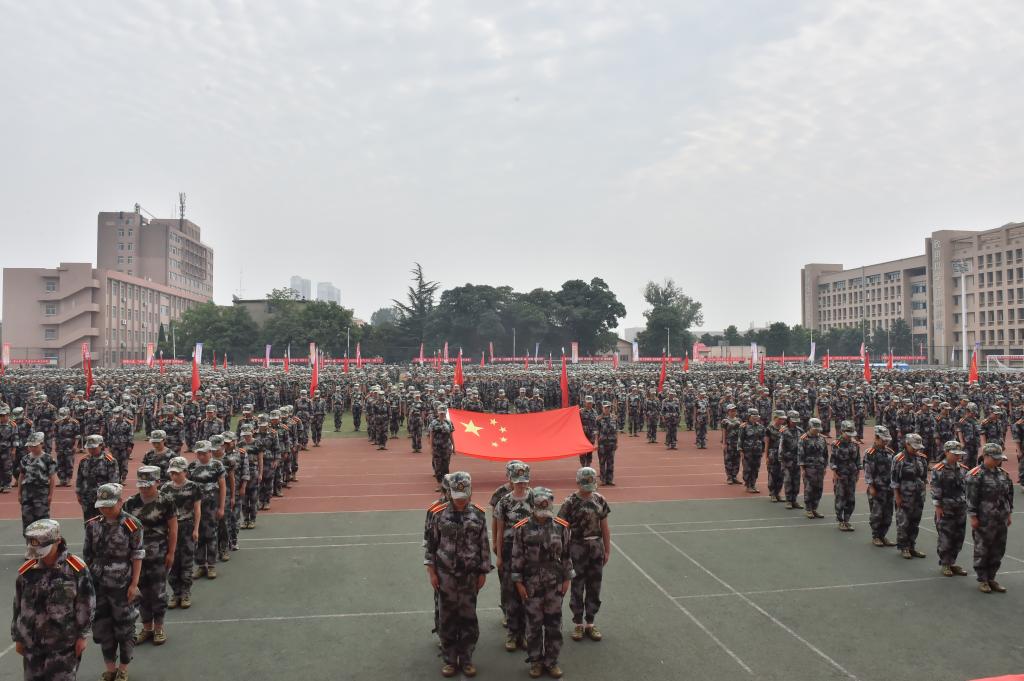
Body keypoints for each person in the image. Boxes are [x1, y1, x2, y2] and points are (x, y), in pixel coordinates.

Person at [424, 471, 490, 678]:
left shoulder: (478, 514)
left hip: (469, 576)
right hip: (446, 576)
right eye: (456, 496)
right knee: (447, 618)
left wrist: (483, 571)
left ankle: (467, 658)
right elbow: (431, 546)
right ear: (450, 492)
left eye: (464, 496)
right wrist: (432, 572)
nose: (460, 500)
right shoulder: (438, 514)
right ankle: (450, 660)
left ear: (470, 491)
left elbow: (483, 545)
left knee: (468, 617)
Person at [11, 519, 95, 681]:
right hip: (32, 644)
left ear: (57, 541)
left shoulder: (76, 569)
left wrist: (82, 636)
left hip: (63, 645)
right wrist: (18, 637)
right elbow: (18, 604)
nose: (38, 553)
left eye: (42, 548)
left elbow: (86, 603)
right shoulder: (27, 571)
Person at [84, 483, 144, 681]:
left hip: (122, 585)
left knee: (125, 628)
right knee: (102, 627)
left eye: (109, 505)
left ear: (120, 502)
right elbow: (88, 556)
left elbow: (137, 555)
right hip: (99, 585)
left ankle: (123, 668)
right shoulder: (92, 525)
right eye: (102, 506)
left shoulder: (131, 525)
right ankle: (110, 669)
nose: (105, 510)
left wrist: (134, 584)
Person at [511, 487, 573, 679]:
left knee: (554, 625)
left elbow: (566, 555)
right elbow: (517, 557)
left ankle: (551, 661)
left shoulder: (561, 526)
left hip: (554, 584)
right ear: (533, 506)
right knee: (534, 625)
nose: (543, 514)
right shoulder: (521, 528)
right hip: (531, 585)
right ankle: (536, 661)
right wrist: (519, 583)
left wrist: (567, 579)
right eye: (540, 510)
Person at [124, 466, 178, 646]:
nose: (144, 488)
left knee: (158, 593)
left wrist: (171, 552)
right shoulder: (131, 503)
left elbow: (173, 529)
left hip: (159, 554)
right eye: (141, 485)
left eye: (148, 485)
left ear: (157, 482)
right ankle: (147, 628)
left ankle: (159, 628)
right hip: (137, 556)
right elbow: (125, 530)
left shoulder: (166, 501)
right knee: (141, 592)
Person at [558, 467, 611, 644]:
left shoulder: (600, 499)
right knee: (577, 586)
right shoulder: (570, 502)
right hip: (577, 548)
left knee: (594, 586)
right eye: (585, 484)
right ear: (578, 482)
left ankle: (590, 622)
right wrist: (563, 553)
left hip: (596, 548)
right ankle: (578, 623)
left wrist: (607, 549)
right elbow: (561, 528)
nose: (588, 488)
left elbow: (604, 527)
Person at [493, 462, 533, 652]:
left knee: (526, 594)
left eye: (524, 481)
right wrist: (499, 555)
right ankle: (512, 633)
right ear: (511, 480)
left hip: (529, 552)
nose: (521, 485)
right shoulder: (504, 502)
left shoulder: (535, 498)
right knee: (510, 594)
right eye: (518, 481)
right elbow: (500, 530)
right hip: (510, 551)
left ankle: (524, 633)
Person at [967, 443, 1014, 593]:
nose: (998, 461)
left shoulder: (1003, 474)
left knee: (998, 549)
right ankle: (983, 579)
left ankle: (992, 577)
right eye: (995, 458)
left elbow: (1009, 496)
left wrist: (1009, 514)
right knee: (982, 549)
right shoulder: (975, 475)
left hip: (1001, 518)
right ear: (985, 456)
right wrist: (973, 517)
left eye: (1000, 458)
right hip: (984, 519)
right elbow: (971, 498)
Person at [161, 456, 201, 609]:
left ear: (185, 472)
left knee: (186, 562)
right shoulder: (165, 488)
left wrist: (196, 529)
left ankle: (185, 593)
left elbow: (197, 509)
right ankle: (175, 593)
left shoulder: (193, 487)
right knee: (172, 562)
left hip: (187, 527)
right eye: (172, 473)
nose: (174, 476)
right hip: (171, 530)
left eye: (177, 473)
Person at [188, 440, 226, 580]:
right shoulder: (192, 466)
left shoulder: (217, 465)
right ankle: (200, 565)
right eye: (198, 453)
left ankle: (211, 565)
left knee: (211, 535)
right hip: (196, 507)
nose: (201, 456)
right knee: (197, 536)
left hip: (211, 506)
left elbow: (222, 487)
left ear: (210, 452)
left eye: (203, 453)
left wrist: (221, 507)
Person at [930, 441, 969, 577]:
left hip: (960, 508)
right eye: (954, 454)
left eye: (959, 454)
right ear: (946, 452)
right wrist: (938, 507)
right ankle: (945, 563)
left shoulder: (963, 468)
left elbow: (966, 488)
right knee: (946, 536)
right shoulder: (939, 469)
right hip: (946, 508)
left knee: (959, 536)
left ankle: (952, 562)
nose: (958, 457)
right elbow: (935, 489)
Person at [891, 433, 929, 560]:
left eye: (918, 447)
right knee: (903, 522)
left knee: (915, 522)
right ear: (907, 444)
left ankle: (912, 546)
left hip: (918, 496)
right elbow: (894, 480)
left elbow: (924, 478)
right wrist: (897, 496)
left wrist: (923, 492)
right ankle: (904, 547)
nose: (916, 449)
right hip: (905, 496)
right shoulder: (899, 459)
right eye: (913, 447)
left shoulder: (921, 458)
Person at [863, 426, 896, 547]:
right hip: (877, 488)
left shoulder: (890, 452)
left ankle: (883, 535)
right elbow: (868, 472)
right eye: (883, 440)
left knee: (888, 514)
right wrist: (871, 486)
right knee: (877, 514)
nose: (885, 442)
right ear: (876, 438)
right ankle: (876, 536)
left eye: (887, 440)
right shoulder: (870, 453)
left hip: (889, 488)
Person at [18, 432, 57, 531]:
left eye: (35, 446)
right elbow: (21, 476)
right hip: (27, 493)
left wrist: (50, 495)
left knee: (42, 521)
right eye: (30, 446)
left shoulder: (48, 459)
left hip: (41, 493)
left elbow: (52, 478)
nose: (32, 448)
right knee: (27, 520)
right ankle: (30, 540)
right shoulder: (25, 459)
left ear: (42, 444)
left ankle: (43, 541)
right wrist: (19, 493)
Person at [75, 435, 119, 522]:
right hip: (87, 498)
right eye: (89, 448)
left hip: (103, 499)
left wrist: (112, 499)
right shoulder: (84, 460)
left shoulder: (110, 461)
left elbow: (114, 481)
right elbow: (79, 478)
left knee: (104, 523)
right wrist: (78, 493)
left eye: (94, 448)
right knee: (88, 523)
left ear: (101, 445)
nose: (91, 450)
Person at [830, 421, 862, 531]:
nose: (849, 436)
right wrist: (834, 473)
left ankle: (847, 520)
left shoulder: (855, 444)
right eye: (847, 434)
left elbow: (858, 460)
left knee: (850, 498)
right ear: (842, 431)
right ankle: (840, 520)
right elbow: (833, 460)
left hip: (852, 475)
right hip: (840, 475)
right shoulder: (836, 444)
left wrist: (858, 472)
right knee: (840, 497)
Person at [797, 418, 828, 519]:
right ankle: (808, 509)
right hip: (809, 468)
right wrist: (802, 469)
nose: (817, 430)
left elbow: (825, 454)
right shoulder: (803, 439)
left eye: (818, 429)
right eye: (815, 429)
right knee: (809, 489)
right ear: (810, 427)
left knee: (819, 489)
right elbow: (800, 455)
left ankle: (814, 508)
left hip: (820, 467)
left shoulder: (822, 438)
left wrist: (825, 467)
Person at [779, 411, 803, 509]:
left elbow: (803, 445)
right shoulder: (783, 431)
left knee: (796, 481)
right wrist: (781, 458)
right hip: (787, 460)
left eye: (796, 421)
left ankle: (794, 500)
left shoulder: (800, 430)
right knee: (788, 480)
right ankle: (788, 500)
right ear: (788, 420)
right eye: (793, 421)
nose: (795, 423)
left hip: (797, 460)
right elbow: (780, 445)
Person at [428, 406, 454, 492]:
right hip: (437, 448)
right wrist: (431, 448)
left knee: (446, 466)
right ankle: (439, 484)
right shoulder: (433, 423)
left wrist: (454, 446)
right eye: (440, 413)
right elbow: (431, 436)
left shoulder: (449, 422)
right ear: (438, 413)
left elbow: (451, 436)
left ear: (445, 413)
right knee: (438, 467)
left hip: (447, 448)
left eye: (443, 413)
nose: (442, 414)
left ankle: (445, 484)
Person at [595, 401, 618, 486]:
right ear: (602, 408)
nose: (607, 409)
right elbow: (596, 432)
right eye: (605, 408)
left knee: (610, 462)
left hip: (612, 443)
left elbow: (616, 431)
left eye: (608, 407)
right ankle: (603, 480)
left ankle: (610, 479)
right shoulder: (598, 419)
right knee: (602, 462)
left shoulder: (614, 418)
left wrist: (617, 443)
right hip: (602, 443)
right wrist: (596, 443)